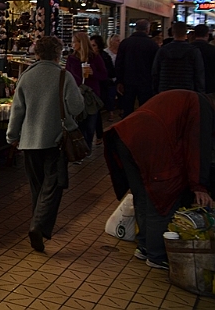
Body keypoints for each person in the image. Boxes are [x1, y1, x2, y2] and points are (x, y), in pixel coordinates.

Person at [104, 90, 215, 269]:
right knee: (161, 198)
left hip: (125, 137)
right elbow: (197, 145)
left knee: (142, 197)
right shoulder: (201, 107)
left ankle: (145, 247)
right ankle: (156, 255)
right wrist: (199, 185)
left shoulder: (187, 98)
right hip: (148, 142)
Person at [6, 36, 84, 253]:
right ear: (58, 54)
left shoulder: (26, 76)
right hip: (55, 141)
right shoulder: (63, 76)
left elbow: (17, 111)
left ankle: (36, 227)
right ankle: (37, 226)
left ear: (36, 53)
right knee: (53, 185)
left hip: (29, 142)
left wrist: (12, 136)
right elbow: (77, 107)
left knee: (37, 188)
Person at [66, 32, 107, 152]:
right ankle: (79, 150)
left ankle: (87, 148)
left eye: (75, 42)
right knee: (78, 123)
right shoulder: (72, 58)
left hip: (91, 95)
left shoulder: (95, 57)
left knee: (90, 125)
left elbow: (104, 75)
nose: (72, 45)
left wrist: (93, 73)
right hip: (76, 93)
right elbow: (68, 75)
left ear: (81, 43)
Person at [115, 19, 158, 117]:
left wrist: (119, 80)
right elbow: (155, 66)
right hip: (146, 82)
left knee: (128, 108)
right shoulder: (152, 45)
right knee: (145, 107)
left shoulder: (125, 43)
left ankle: (127, 128)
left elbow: (119, 63)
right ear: (147, 29)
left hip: (128, 81)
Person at [151, 21, 204, 94]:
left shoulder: (163, 50)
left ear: (172, 32)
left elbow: (155, 72)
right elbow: (199, 74)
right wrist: (200, 93)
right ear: (186, 33)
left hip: (165, 89)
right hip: (186, 89)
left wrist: (155, 90)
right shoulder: (193, 51)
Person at [90, 35, 115, 145]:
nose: (92, 48)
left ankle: (98, 135)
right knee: (95, 113)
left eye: (94, 45)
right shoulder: (90, 56)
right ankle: (98, 135)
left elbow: (108, 73)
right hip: (94, 88)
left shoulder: (103, 57)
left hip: (101, 88)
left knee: (96, 112)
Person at [191, 24, 215, 94]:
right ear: (207, 34)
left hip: (191, 87)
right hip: (210, 86)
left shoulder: (188, 49)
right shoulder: (212, 50)